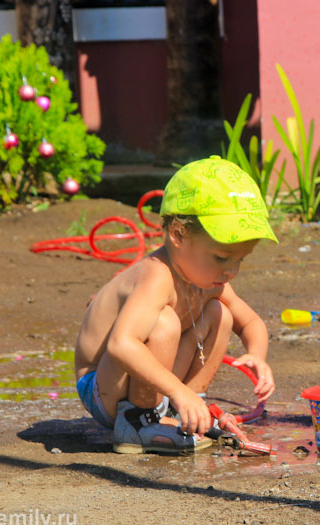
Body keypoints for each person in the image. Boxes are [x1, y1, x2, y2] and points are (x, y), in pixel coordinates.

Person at [74, 156, 278, 454]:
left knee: (220, 314)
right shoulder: (157, 275)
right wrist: (177, 391)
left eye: (240, 259)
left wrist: (257, 356)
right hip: (102, 388)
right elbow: (120, 344)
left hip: (151, 383)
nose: (231, 271)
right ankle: (136, 422)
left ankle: (188, 409)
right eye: (222, 257)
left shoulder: (209, 279)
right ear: (179, 235)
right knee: (165, 322)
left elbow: (251, 323)